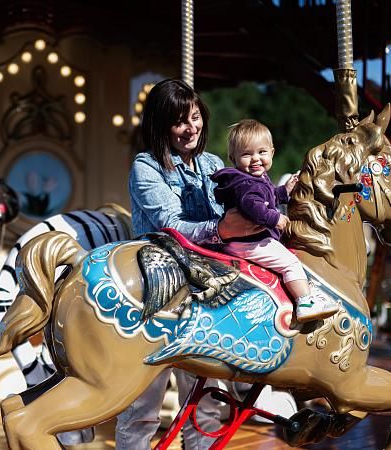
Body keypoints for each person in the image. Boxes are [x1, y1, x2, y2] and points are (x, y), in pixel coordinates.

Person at [118, 79, 261, 450]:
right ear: (161, 125)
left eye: (195, 117)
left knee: (206, 405)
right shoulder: (145, 166)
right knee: (142, 407)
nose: (191, 127)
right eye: (179, 121)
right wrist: (220, 227)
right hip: (160, 287)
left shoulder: (213, 164)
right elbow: (171, 222)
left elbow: (243, 202)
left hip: (206, 289)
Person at [211, 119, 339, 322]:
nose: (255, 159)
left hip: (247, 241)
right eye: (246, 154)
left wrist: (284, 191)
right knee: (290, 263)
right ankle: (305, 302)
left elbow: (267, 197)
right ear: (233, 158)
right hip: (250, 242)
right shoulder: (246, 183)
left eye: (261, 152)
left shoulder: (256, 180)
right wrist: (275, 218)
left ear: (272, 152)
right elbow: (253, 206)